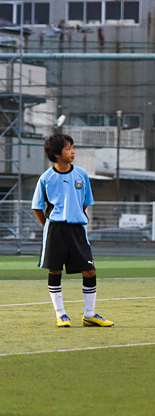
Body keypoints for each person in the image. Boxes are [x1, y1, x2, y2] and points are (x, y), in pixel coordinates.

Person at [32, 133, 114, 328]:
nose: (73, 152)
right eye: (68, 148)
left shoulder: (81, 174)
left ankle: (89, 315)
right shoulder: (46, 178)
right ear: (57, 154)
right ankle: (61, 315)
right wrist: (47, 226)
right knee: (55, 270)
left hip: (77, 229)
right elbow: (37, 207)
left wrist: (76, 215)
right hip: (55, 229)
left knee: (89, 271)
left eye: (72, 148)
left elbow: (85, 202)